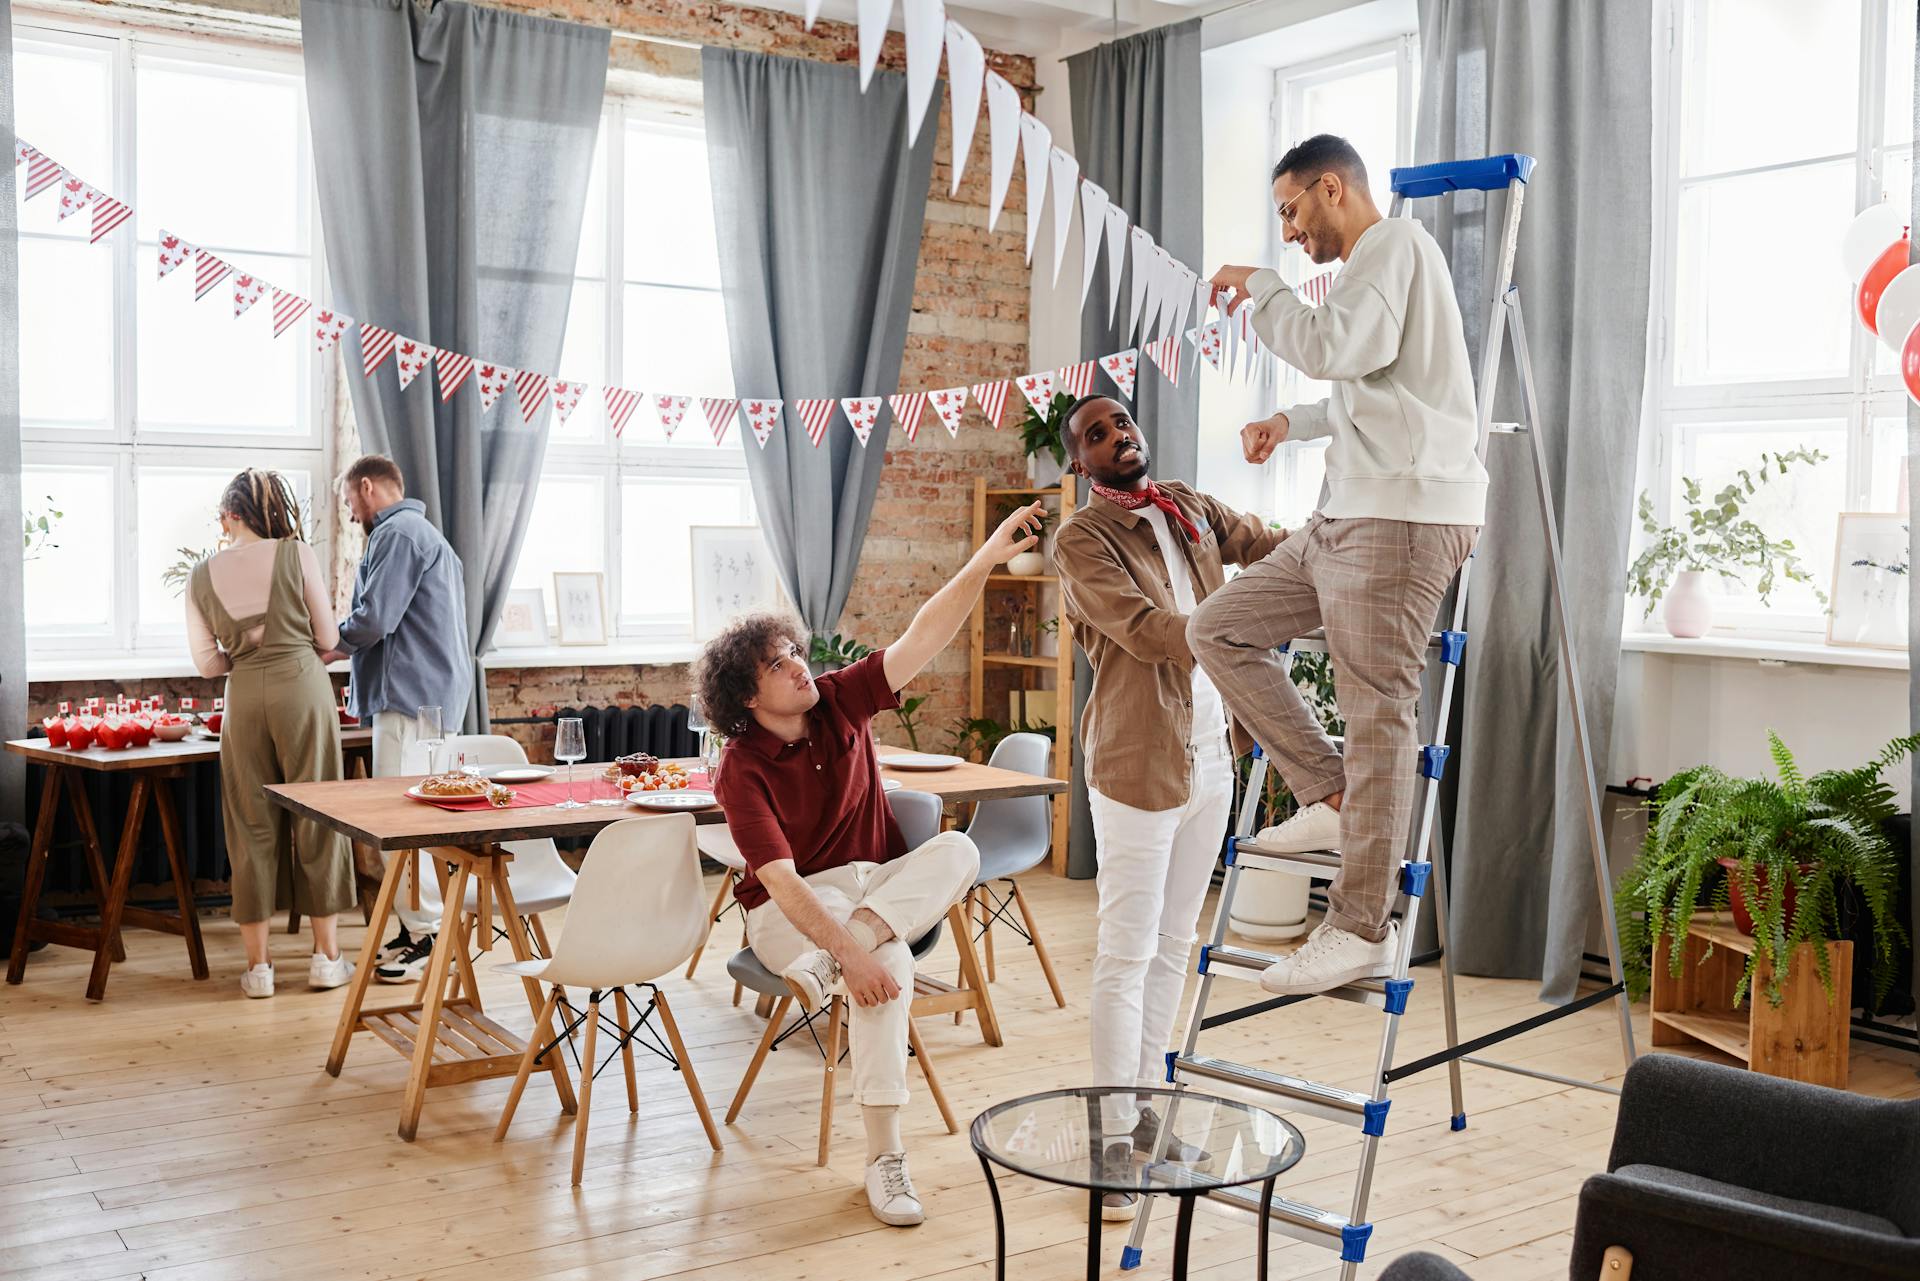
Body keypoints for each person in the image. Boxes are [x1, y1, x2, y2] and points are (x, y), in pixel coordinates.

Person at [698, 502, 1042, 1228]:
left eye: (796, 651)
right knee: (885, 968)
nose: (801, 664)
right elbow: (783, 882)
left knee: (960, 847)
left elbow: (925, 632)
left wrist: (986, 557)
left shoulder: (840, 701)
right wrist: (848, 950)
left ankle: (840, 983)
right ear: (747, 696)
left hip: (875, 888)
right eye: (779, 662)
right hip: (785, 920)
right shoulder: (740, 767)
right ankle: (887, 1157)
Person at [1195, 133, 1484, 996]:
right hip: (1345, 514)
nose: (1289, 231)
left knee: (1378, 709)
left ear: (1332, 188)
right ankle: (1332, 794)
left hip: (1398, 516)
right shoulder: (1374, 267)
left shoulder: (1393, 244)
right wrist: (1293, 423)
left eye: (1291, 210)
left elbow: (1333, 346)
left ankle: (1361, 925)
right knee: (1219, 628)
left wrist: (1262, 288)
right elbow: (1374, 382)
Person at [1051, 395, 1288, 1220]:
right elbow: (1149, 630)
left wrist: (1345, 544)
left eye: (1123, 422)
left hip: (1210, 757)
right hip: (1135, 763)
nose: (1120, 436)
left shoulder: (1186, 504)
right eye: (1097, 434)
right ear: (1079, 461)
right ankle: (1111, 1136)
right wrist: (1242, 625)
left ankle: (1145, 1111)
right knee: (1126, 948)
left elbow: (1262, 540)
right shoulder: (1080, 539)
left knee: (1175, 946)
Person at [187, 469, 355, 998]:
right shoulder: (294, 553)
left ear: (229, 516)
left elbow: (208, 666)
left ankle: (258, 970)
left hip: (243, 698)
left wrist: (243, 647)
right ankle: (326, 959)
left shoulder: (199, 576)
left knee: (249, 824)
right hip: (301, 687)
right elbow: (328, 636)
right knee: (318, 814)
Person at [320, 454, 472, 984]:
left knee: (402, 822)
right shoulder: (423, 533)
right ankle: (419, 929)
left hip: (410, 700)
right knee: (417, 820)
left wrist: (328, 645)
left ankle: (424, 934)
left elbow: (377, 618)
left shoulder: (398, 534)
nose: (349, 513)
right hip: (426, 697)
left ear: (367, 488)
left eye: (347, 502)